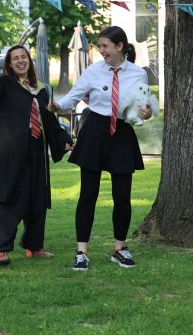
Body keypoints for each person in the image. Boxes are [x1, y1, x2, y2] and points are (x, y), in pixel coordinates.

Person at [49, 26, 152, 271]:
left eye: (105, 46)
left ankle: (119, 249)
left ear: (119, 46)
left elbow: (144, 106)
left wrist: (146, 112)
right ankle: (81, 252)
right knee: (88, 195)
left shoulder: (138, 74)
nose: (101, 50)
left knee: (122, 197)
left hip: (122, 134)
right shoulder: (93, 71)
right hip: (94, 132)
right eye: (100, 46)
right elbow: (73, 97)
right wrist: (57, 106)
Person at [0, 36, 73, 266]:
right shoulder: (4, 85)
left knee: (36, 197)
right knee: (8, 197)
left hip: (36, 150)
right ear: (9, 64)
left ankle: (34, 245)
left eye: (24, 57)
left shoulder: (40, 90)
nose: (20, 61)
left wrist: (63, 139)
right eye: (15, 58)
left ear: (29, 61)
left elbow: (49, 120)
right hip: (11, 152)